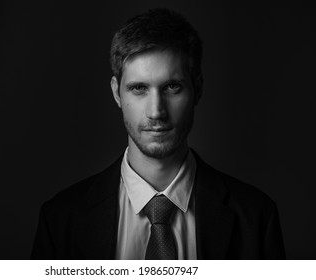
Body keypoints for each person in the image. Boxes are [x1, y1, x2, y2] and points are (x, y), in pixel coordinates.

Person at [31, 8, 285, 260]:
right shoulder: (60, 220)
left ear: (197, 88)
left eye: (172, 87)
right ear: (117, 93)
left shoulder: (256, 217)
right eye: (139, 88)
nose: (156, 111)